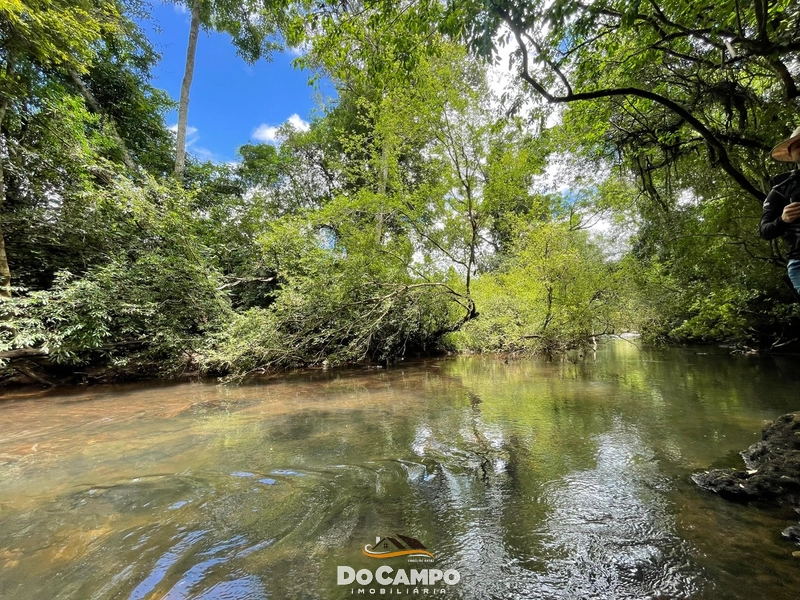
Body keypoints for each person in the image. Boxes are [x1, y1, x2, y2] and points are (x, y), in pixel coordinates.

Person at [760, 125, 800, 292]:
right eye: (798, 145)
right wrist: (783, 220)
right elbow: (764, 231)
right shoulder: (781, 190)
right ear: (790, 154)